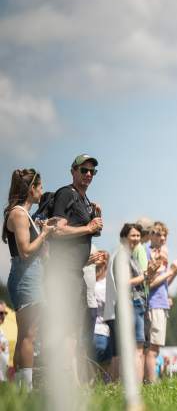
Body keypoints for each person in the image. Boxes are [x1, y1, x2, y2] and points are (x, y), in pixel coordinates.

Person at [4, 168, 57, 389]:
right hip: (25, 278)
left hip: (32, 277)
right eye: (40, 187)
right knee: (28, 336)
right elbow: (25, 250)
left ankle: (20, 387)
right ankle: (26, 389)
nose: (42, 192)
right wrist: (44, 234)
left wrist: (44, 233)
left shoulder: (26, 216)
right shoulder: (18, 213)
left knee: (28, 334)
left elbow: (38, 253)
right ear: (31, 189)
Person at [45, 155, 104, 348]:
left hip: (76, 272)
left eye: (92, 171)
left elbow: (93, 233)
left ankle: (72, 377)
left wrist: (95, 219)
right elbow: (58, 229)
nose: (88, 174)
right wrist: (88, 228)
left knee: (74, 328)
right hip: (63, 271)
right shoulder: (66, 193)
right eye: (84, 170)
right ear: (73, 171)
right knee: (65, 327)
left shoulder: (83, 198)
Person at [110, 223, 154, 384]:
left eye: (137, 235)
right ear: (124, 237)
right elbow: (123, 282)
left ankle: (133, 385)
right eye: (132, 235)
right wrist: (144, 276)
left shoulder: (131, 256)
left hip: (137, 302)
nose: (136, 238)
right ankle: (134, 386)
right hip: (131, 303)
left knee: (137, 349)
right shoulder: (122, 256)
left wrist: (148, 274)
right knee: (137, 349)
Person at [144, 222, 177, 383]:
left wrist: (176, 272)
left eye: (165, 235)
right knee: (152, 348)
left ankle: (150, 381)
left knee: (155, 347)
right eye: (158, 234)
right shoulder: (148, 253)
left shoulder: (161, 254)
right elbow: (149, 283)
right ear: (150, 235)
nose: (162, 238)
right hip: (153, 304)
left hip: (161, 303)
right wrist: (172, 270)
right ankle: (151, 383)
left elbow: (163, 283)